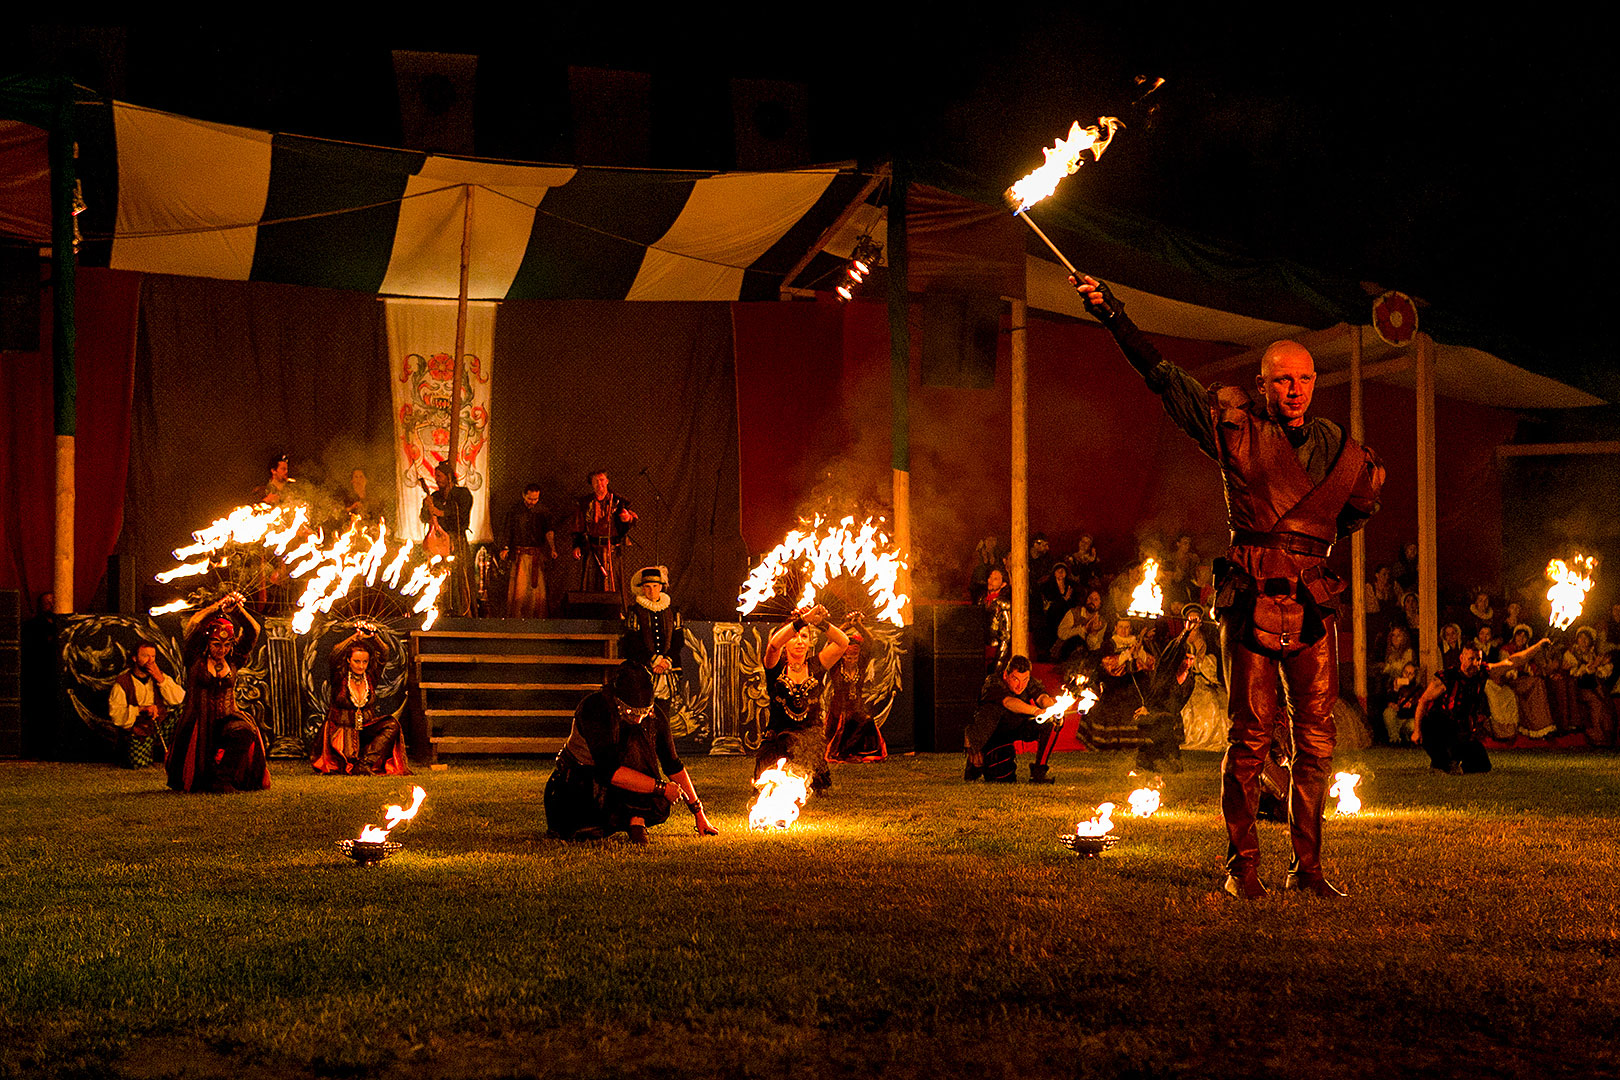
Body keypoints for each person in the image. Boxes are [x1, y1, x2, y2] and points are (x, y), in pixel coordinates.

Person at [1074, 273, 1384, 900]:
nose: (1292, 390)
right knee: (1249, 738)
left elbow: (1356, 509)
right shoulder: (1235, 428)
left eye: (1302, 379)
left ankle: (1310, 868)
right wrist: (1116, 316)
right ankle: (1243, 865)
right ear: (1264, 386)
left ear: (1314, 384)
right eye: (1280, 381)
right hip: (1250, 598)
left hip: (1313, 601)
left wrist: (1308, 548)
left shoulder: (1339, 448)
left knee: (1318, 739)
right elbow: (1165, 378)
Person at [544, 661, 717, 842]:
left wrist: (699, 813)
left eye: (644, 712)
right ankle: (622, 820)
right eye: (632, 712)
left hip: (619, 788)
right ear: (618, 700)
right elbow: (608, 771)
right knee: (579, 829)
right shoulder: (595, 708)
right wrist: (662, 788)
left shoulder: (652, 715)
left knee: (643, 735)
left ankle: (637, 820)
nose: (639, 718)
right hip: (579, 785)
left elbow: (672, 764)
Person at [166, 592, 270, 794]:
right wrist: (219, 607)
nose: (222, 649)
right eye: (216, 644)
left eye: (226, 644)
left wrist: (238, 610)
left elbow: (252, 631)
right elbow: (195, 625)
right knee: (198, 774)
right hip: (199, 722)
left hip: (227, 716)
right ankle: (208, 781)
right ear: (207, 642)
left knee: (245, 729)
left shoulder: (234, 659)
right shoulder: (194, 657)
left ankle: (223, 780)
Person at [1413, 635, 1550, 774]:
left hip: (1462, 729)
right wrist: (1417, 730)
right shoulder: (1447, 677)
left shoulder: (1482, 672)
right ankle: (1442, 762)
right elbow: (1423, 701)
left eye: (1478, 659)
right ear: (1462, 658)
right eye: (1471, 659)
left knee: (1483, 765)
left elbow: (1512, 661)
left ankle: (1451, 762)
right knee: (1430, 722)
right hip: (1441, 725)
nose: (1475, 663)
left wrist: (1538, 646)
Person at [758, 605, 850, 794]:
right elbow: (773, 645)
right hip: (778, 741)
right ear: (786, 641)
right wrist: (802, 620)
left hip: (808, 742)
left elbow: (843, 643)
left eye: (805, 636)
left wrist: (820, 622)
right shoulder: (774, 665)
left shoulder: (817, 664)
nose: (799, 641)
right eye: (794, 636)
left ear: (810, 642)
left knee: (811, 784)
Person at [312, 622, 408, 776]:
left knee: (392, 724)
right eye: (357, 661)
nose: (361, 666)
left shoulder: (371, 676)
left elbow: (384, 653)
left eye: (365, 662)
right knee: (348, 759)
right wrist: (356, 636)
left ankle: (365, 763)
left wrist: (373, 637)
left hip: (365, 728)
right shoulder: (340, 675)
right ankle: (354, 762)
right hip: (341, 730)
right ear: (349, 661)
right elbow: (336, 653)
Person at [965, 656, 1060, 783]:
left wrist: (1052, 707)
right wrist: (1036, 711)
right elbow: (1009, 702)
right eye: (1015, 679)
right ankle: (974, 767)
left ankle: (1039, 772)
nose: (1020, 685)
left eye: (1025, 679)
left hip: (1017, 725)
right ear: (1006, 675)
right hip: (995, 733)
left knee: (1053, 723)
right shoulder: (993, 682)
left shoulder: (1029, 682)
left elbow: (1041, 697)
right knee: (1002, 779)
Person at [1134, 618, 1206, 774]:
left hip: (1169, 717)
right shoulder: (1168, 671)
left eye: (1191, 659)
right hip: (1154, 713)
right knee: (1159, 747)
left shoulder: (1190, 680)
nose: (1187, 662)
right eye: (1185, 657)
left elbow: (1179, 703)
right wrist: (1185, 632)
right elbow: (1173, 651)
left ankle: (1160, 764)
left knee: (1171, 754)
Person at [107, 642, 184, 768]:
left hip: (159, 727)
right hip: (139, 731)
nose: (150, 661)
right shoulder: (123, 682)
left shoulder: (160, 676)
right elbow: (116, 715)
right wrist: (141, 710)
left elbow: (179, 699)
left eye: (153, 657)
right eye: (145, 656)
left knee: (183, 711)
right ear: (135, 658)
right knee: (139, 764)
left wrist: (160, 679)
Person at [824, 614, 887, 764]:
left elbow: (870, 642)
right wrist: (845, 625)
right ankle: (842, 753)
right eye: (848, 658)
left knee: (866, 720)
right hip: (839, 710)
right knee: (840, 729)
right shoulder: (835, 666)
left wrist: (858, 624)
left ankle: (847, 752)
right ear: (842, 656)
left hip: (856, 708)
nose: (852, 661)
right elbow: (831, 642)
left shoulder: (861, 664)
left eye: (855, 657)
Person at [622, 566, 683, 705]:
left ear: (661, 587)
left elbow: (678, 640)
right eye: (647, 587)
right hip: (644, 668)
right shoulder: (636, 612)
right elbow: (633, 641)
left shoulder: (672, 612)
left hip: (668, 668)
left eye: (655, 586)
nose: (651, 590)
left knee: (664, 710)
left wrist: (666, 661)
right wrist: (654, 660)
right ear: (642, 589)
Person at [571, 470, 637, 599]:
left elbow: (632, 518)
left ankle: (616, 614)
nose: (599, 483)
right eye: (595, 481)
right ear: (591, 484)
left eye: (601, 480)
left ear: (607, 481)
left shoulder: (618, 501)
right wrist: (577, 545)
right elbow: (578, 526)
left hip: (612, 549)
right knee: (591, 583)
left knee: (614, 582)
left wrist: (627, 518)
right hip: (592, 549)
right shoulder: (585, 503)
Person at [420, 461, 474, 616]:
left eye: (440, 476)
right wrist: (427, 507)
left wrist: (440, 512)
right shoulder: (435, 496)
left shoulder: (462, 494)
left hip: (456, 541)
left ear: (449, 477)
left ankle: (462, 610)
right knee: (439, 575)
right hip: (439, 544)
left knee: (458, 577)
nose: (437, 479)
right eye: (435, 476)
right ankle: (439, 610)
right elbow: (424, 518)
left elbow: (462, 515)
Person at [502, 484, 557, 619]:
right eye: (530, 498)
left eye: (535, 499)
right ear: (524, 495)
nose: (532, 502)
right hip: (519, 555)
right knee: (519, 590)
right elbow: (507, 530)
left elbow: (549, 531)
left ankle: (537, 621)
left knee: (537, 592)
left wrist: (553, 548)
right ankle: (516, 621)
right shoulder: (514, 511)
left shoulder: (543, 511)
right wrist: (504, 548)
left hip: (536, 556)